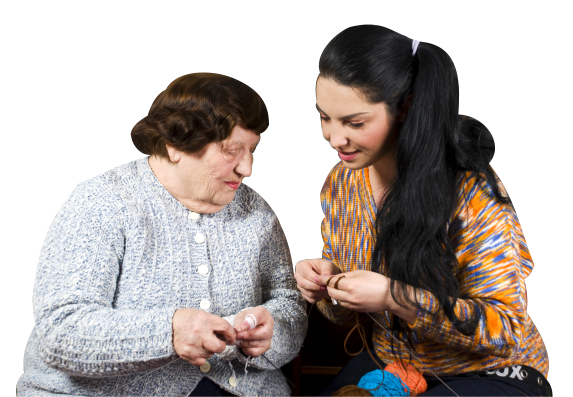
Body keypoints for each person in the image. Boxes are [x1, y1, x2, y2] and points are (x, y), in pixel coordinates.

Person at [294, 25, 551, 397]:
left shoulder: (471, 190)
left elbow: (503, 328)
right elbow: (343, 315)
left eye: (355, 123)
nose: (334, 138)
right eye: (323, 117)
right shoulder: (341, 184)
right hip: (396, 365)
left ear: (405, 107)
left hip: (492, 369)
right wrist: (327, 286)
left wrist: (394, 297)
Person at [18, 72, 307, 397]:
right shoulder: (101, 203)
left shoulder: (257, 211)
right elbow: (60, 332)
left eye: (252, 150)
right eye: (231, 150)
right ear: (173, 145)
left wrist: (274, 331)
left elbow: (288, 303)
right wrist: (168, 332)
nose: (247, 168)